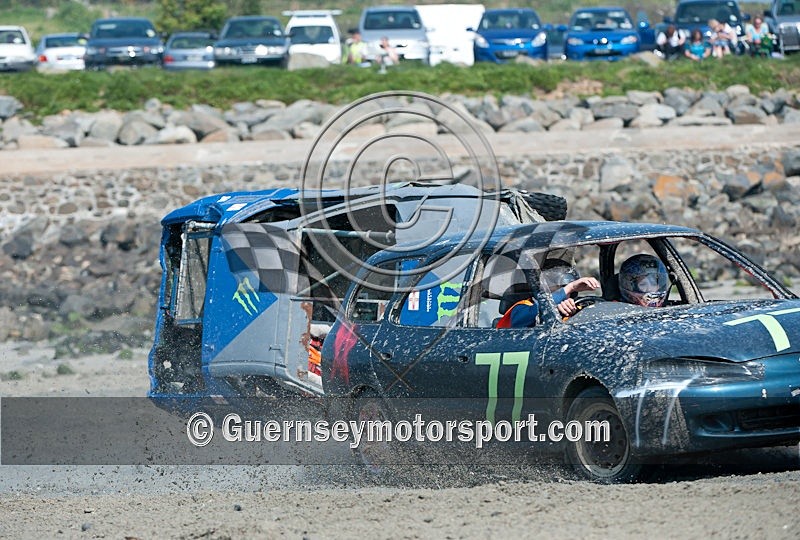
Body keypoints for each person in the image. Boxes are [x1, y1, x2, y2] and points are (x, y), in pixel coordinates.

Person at [496, 261, 600, 328]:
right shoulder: (523, 307)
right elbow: (522, 319)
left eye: (571, 292)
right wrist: (570, 288)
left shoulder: (580, 305)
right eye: (560, 289)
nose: (567, 296)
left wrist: (572, 314)